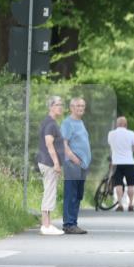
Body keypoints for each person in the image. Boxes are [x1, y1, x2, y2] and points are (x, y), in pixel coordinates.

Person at [60, 97, 91, 234]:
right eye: (78, 106)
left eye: (82, 106)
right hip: (73, 164)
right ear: (71, 107)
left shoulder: (80, 122)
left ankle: (73, 223)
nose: (81, 108)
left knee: (78, 194)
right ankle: (68, 224)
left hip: (82, 165)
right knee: (71, 193)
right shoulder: (67, 123)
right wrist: (73, 158)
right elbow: (63, 143)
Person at [37, 96, 66, 235]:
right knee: (49, 192)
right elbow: (49, 143)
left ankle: (48, 224)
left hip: (47, 162)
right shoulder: (50, 123)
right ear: (51, 107)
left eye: (61, 104)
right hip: (48, 162)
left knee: (50, 191)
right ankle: (46, 225)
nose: (60, 107)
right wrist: (56, 163)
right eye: (57, 104)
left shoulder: (50, 122)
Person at [107, 116, 134, 212]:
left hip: (116, 162)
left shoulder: (111, 134)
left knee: (118, 184)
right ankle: (131, 204)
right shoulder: (131, 133)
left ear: (117, 124)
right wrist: (130, 151)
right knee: (131, 184)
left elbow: (111, 146)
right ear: (126, 124)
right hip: (129, 162)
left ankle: (120, 204)